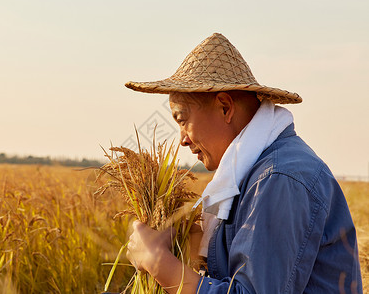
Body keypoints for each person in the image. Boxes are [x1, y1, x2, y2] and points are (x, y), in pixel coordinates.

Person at [124, 33, 362, 293]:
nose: (182, 139)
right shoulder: (241, 178)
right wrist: (188, 235)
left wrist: (157, 262)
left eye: (182, 120)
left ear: (225, 107)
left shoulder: (279, 178)